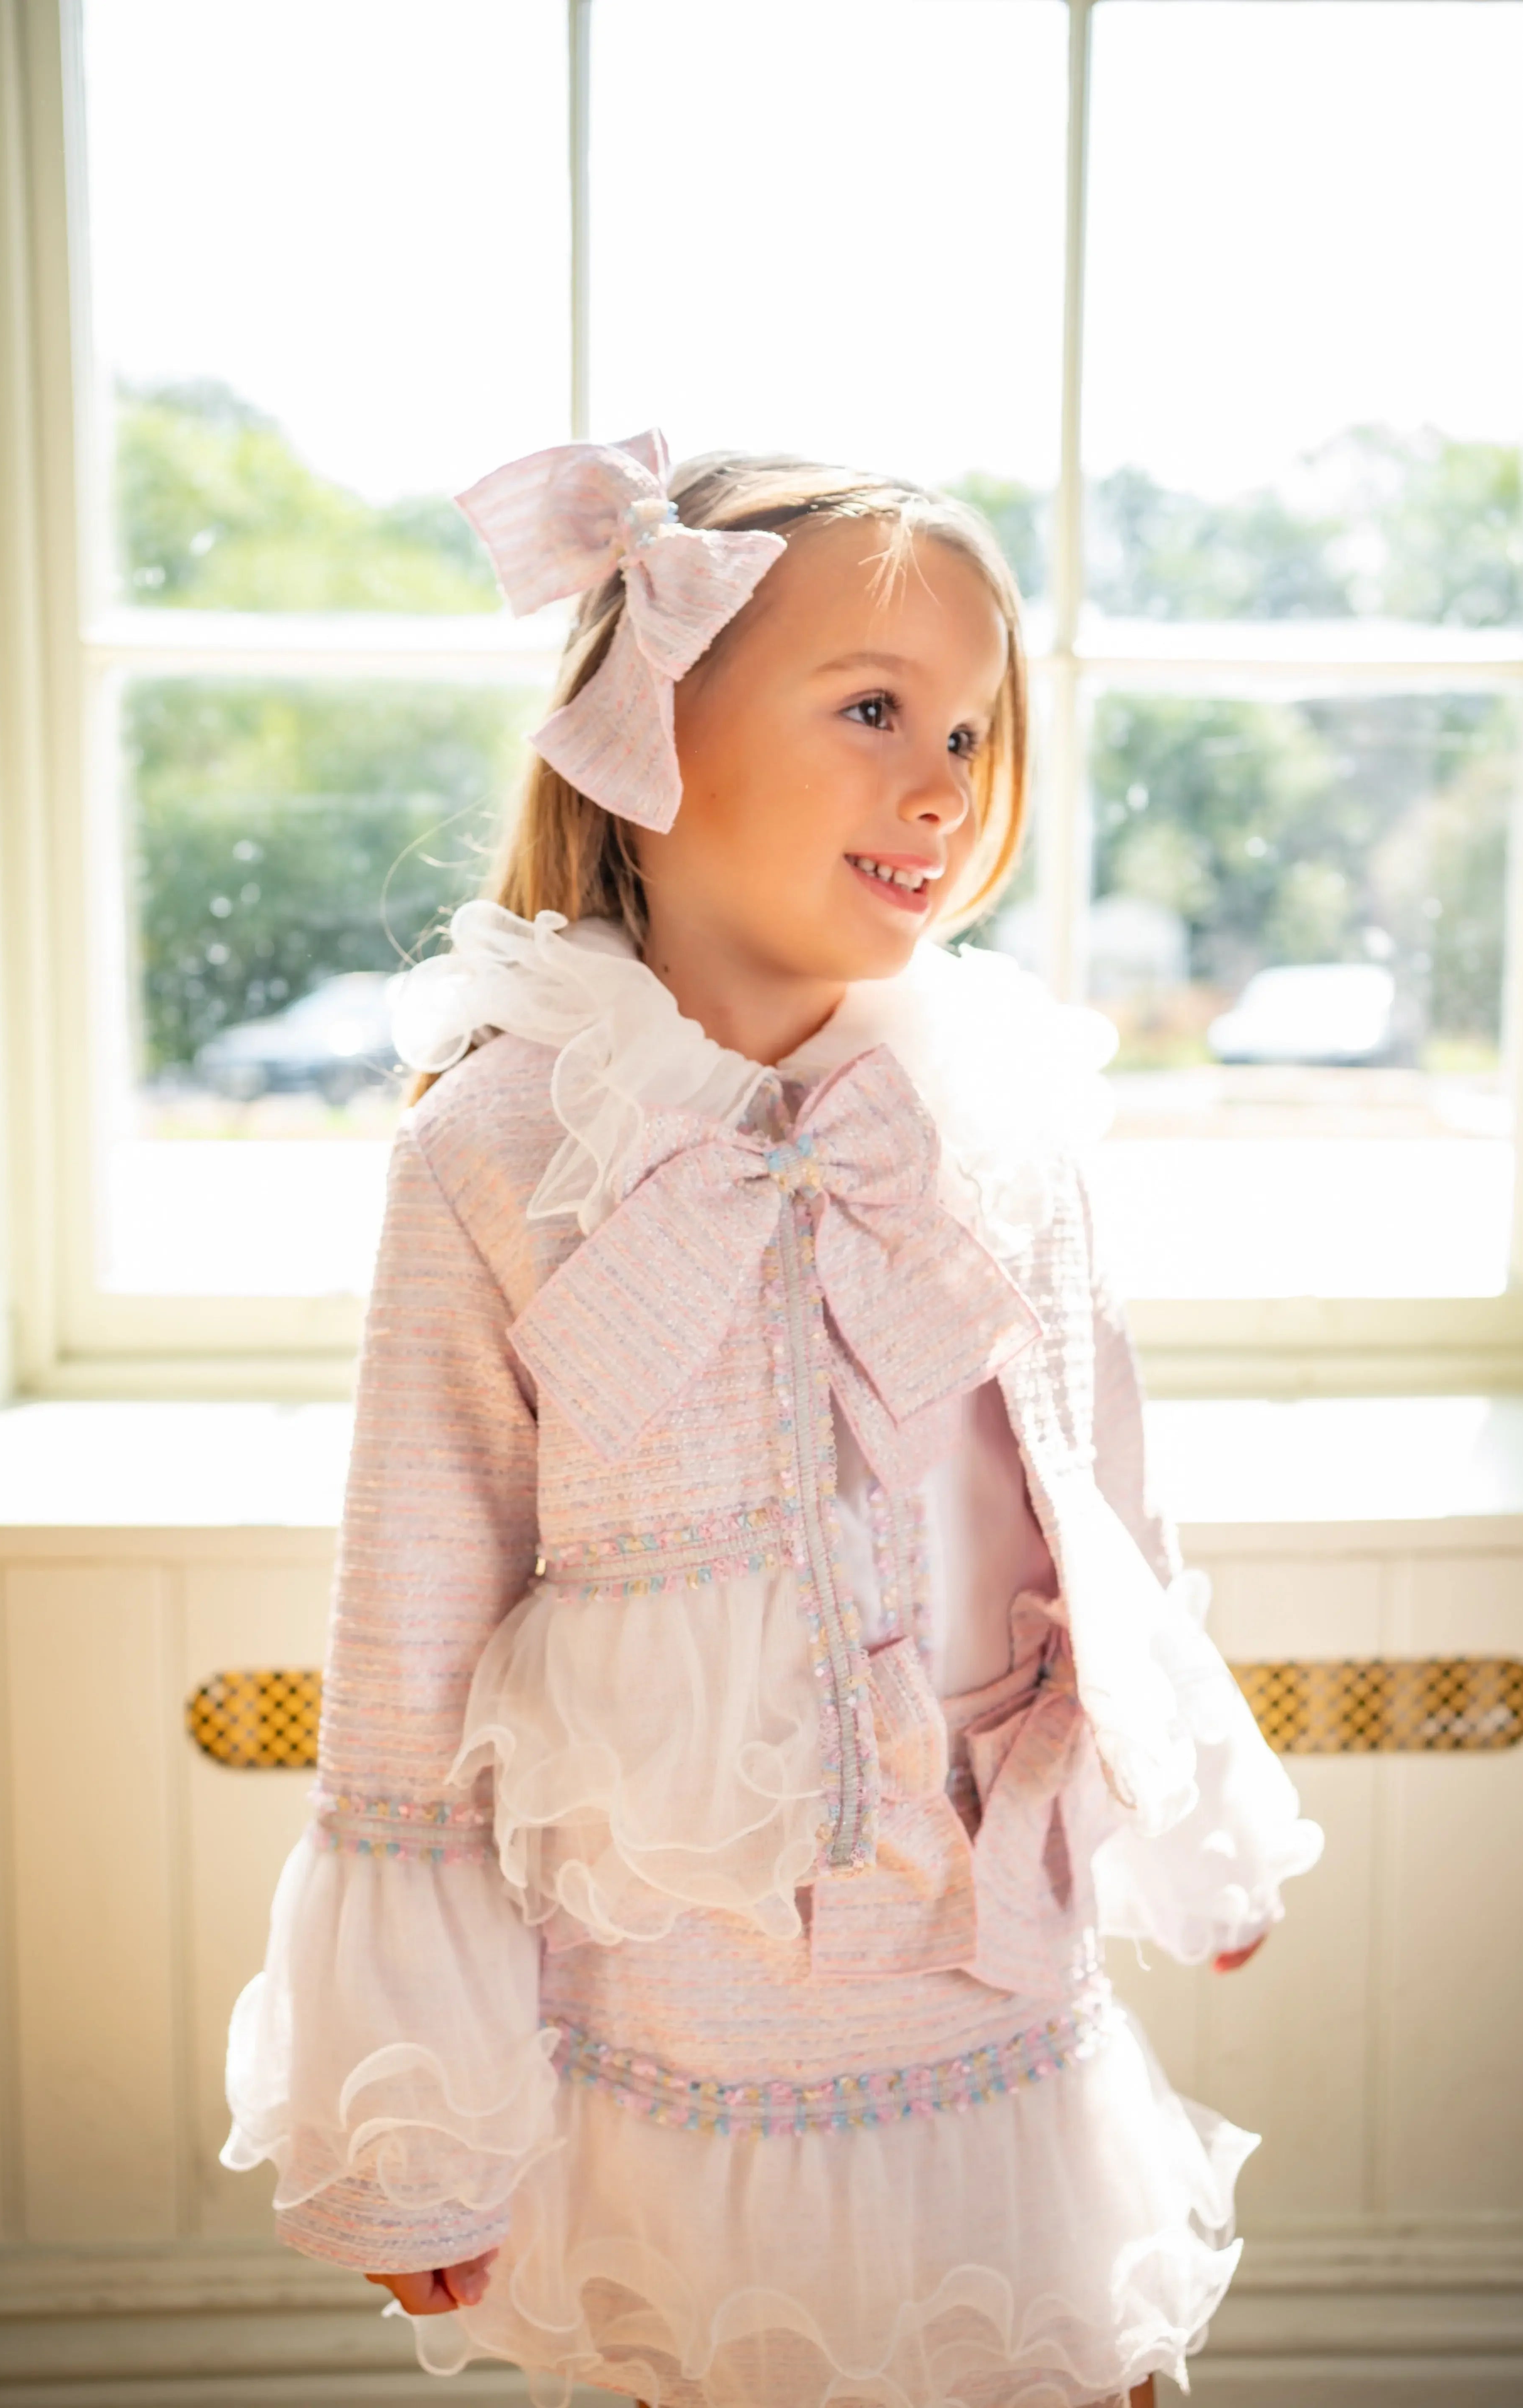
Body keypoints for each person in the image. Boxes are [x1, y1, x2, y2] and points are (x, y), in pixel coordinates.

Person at [223, 431, 1323, 2408]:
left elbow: (1099, 1505)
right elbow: (408, 1635)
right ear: (647, 740)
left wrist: (1190, 1828)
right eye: (875, 709)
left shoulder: (1000, 1124)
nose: (941, 782)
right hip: (680, 2036)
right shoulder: (496, 1152)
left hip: (995, 1998)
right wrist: (417, 2134)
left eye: (974, 733)